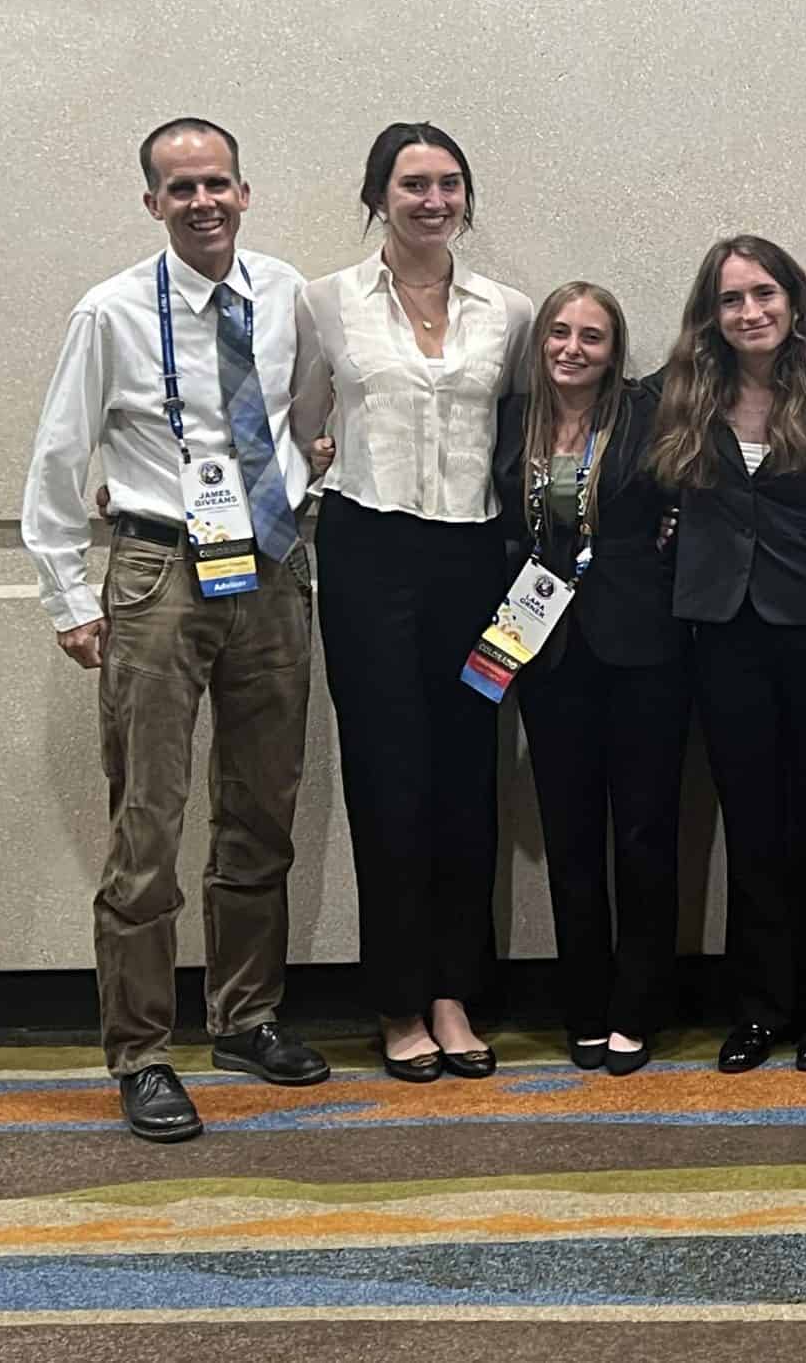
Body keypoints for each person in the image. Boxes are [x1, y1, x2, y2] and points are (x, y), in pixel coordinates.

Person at [20, 117, 332, 1141]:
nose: (203, 201)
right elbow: (61, 460)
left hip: (275, 566)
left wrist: (310, 467)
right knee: (147, 820)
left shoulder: (285, 293)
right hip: (161, 570)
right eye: (180, 187)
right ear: (152, 203)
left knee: (261, 807)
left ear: (246, 192)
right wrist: (71, 597)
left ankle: (245, 1016)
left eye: (218, 184)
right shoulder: (109, 312)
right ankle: (142, 1051)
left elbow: (301, 412)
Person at [292, 122, 533, 1082]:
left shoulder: (508, 311)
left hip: (475, 564)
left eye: (448, 185)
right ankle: (398, 1003)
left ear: (467, 199)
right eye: (412, 185)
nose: (432, 201)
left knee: (468, 777)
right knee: (388, 780)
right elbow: (300, 425)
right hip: (367, 557)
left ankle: (453, 993)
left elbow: (530, 429)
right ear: (377, 197)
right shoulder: (327, 302)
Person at [652, 237, 806, 1075]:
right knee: (752, 824)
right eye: (733, 299)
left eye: (765, 294)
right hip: (722, 630)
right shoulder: (680, 395)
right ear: (711, 315)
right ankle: (758, 1006)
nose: (751, 312)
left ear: (793, 300)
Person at [491, 282, 685, 1076]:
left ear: (615, 351)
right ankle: (584, 1003)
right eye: (560, 334)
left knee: (643, 834)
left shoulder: (648, 414)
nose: (573, 349)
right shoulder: (510, 421)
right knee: (570, 840)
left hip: (643, 651)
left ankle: (637, 1005)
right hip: (546, 652)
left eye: (593, 337)